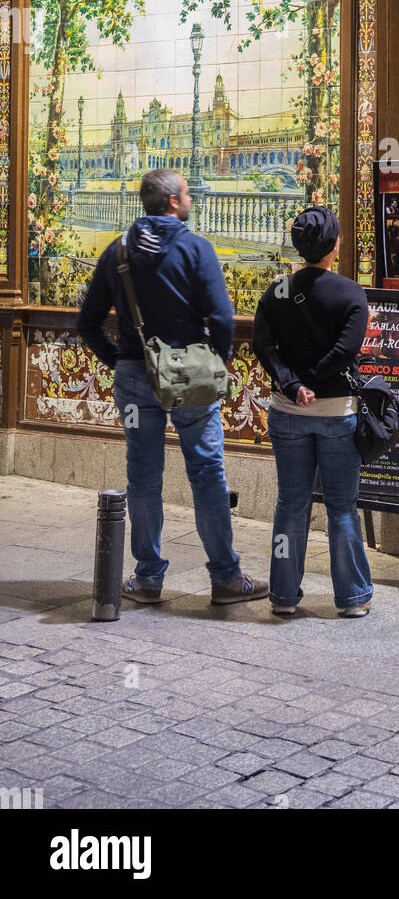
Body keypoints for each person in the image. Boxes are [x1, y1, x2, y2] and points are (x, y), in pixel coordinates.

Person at [77, 169, 266, 607]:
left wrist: (123, 361)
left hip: (134, 380)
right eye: (187, 193)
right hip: (191, 378)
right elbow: (221, 319)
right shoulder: (196, 249)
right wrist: (212, 363)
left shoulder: (117, 251)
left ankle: (147, 580)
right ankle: (225, 578)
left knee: (142, 477)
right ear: (175, 203)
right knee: (207, 473)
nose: (190, 198)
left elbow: (86, 323)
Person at [252, 206, 373, 618]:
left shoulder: (277, 291)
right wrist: (314, 382)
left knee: (291, 503)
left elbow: (263, 347)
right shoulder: (352, 294)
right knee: (341, 506)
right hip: (337, 412)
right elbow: (346, 351)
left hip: (288, 413)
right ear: (335, 246)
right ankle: (353, 599)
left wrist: (293, 385)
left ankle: (283, 597)